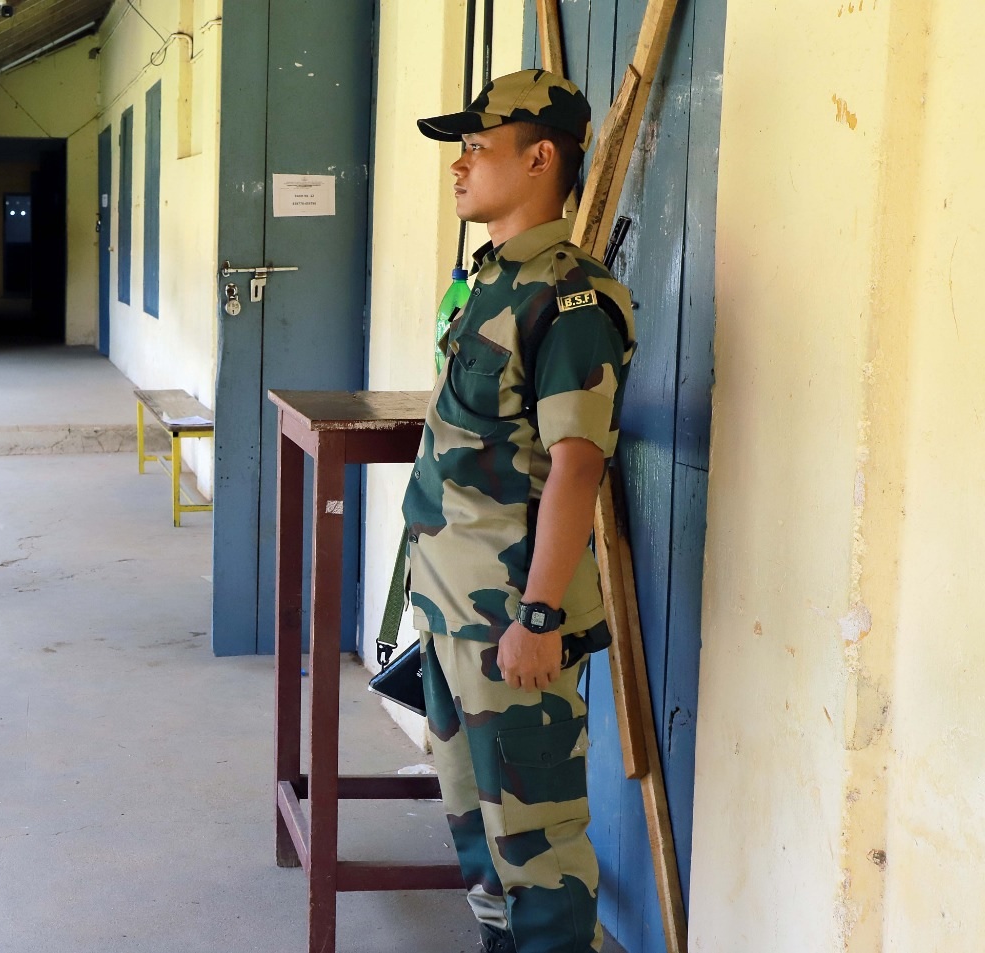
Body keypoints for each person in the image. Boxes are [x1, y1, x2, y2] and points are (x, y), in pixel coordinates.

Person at [403, 69, 636, 953]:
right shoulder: (492, 282)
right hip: (455, 614)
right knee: (481, 845)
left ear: (540, 158)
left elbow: (577, 465)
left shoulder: (566, 296)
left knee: (537, 850)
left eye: (476, 147)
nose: (458, 166)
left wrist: (538, 615)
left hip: (511, 624)